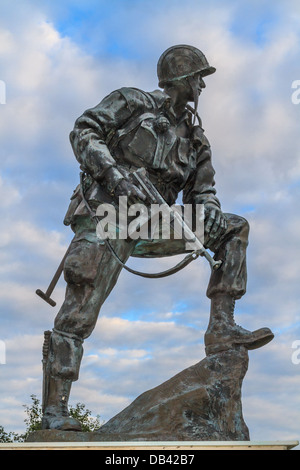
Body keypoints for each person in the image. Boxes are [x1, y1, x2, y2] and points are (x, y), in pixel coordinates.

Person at [41, 45, 274, 431]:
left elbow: (203, 192)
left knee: (234, 227)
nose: (203, 85)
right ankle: (54, 414)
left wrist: (209, 211)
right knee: (78, 313)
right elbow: (84, 130)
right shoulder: (133, 101)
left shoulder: (197, 139)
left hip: (155, 221)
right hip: (108, 214)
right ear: (182, 79)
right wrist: (113, 175)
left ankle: (221, 326)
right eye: (199, 77)